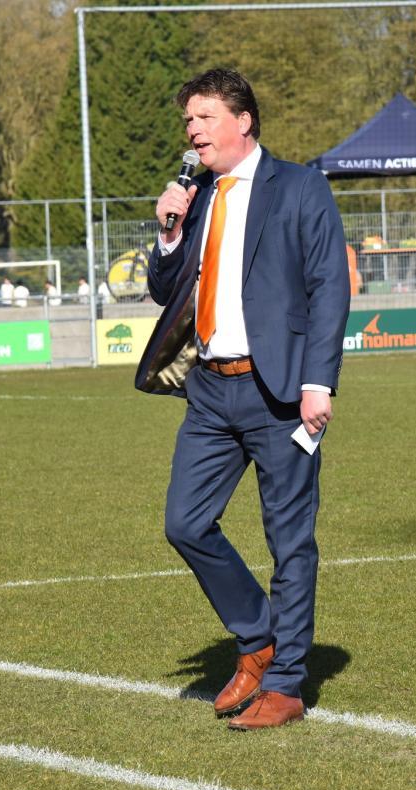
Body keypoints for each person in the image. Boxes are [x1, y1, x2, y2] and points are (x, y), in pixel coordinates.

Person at [134, 69, 349, 730]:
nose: (193, 131)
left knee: (290, 542)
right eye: (188, 121)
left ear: (243, 120)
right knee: (185, 523)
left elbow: (329, 286)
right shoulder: (196, 196)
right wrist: (169, 232)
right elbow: (165, 288)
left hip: (280, 392)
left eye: (204, 117)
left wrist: (318, 382)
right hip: (209, 390)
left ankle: (285, 684)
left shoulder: (301, 187)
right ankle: (258, 637)